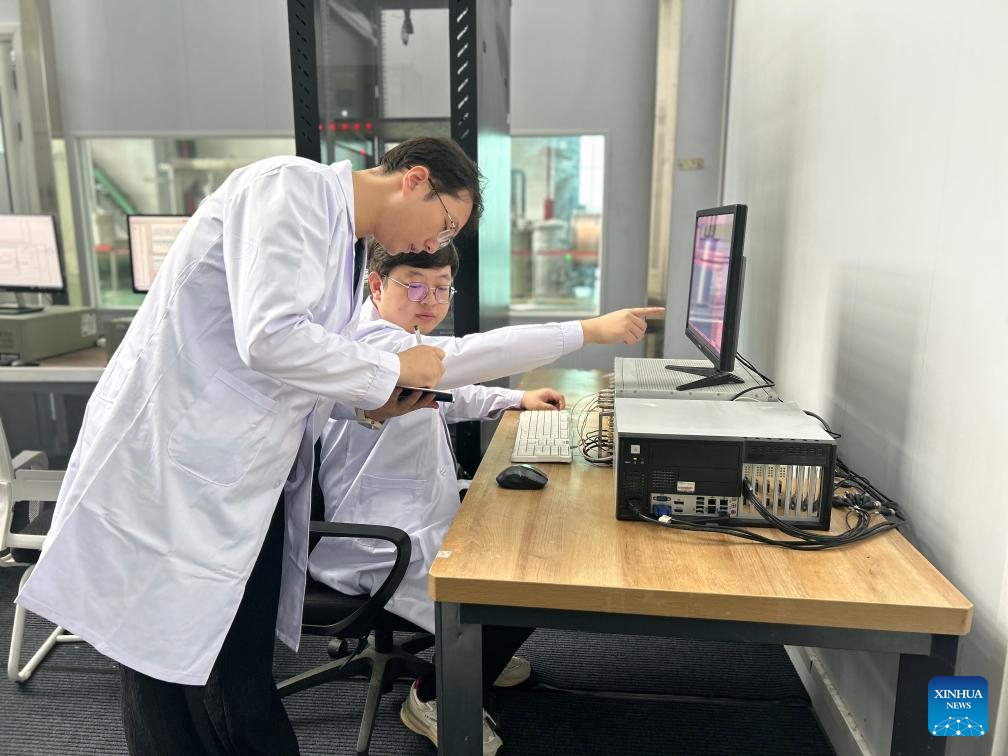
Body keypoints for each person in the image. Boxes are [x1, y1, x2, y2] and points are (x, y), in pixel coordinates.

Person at [15, 137, 483, 756]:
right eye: (444, 222)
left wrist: (368, 403)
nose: (433, 243)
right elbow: (269, 339)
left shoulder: (342, 243)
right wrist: (392, 370)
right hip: (182, 470)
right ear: (414, 179)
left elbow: (300, 369)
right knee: (172, 671)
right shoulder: (290, 187)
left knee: (226, 665)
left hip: (239, 477)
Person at [309, 240, 663, 754]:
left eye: (441, 289)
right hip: (378, 540)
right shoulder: (370, 344)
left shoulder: (402, 340)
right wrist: (586, 330)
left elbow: (441, 393)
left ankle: (476, 656)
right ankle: (435, 693)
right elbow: (466, 357)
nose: (430, 300)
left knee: (529, 548)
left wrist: (515, 398)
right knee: (524, 580)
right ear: (376, 285)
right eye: (414, 286)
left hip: (416, 513)